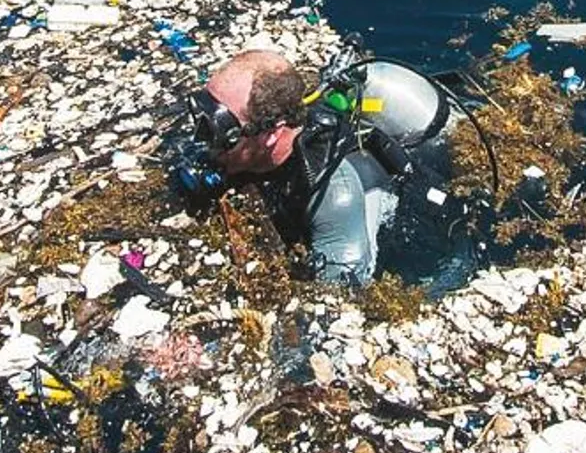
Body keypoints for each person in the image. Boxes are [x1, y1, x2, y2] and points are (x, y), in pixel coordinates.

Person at [170, 46, 459, 286]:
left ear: (271, 134)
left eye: (220, 130)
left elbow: (341, 297)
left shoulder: (333, 194)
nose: (203, 140)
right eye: (203, 114)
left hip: (414, 233)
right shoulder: (254, 141)